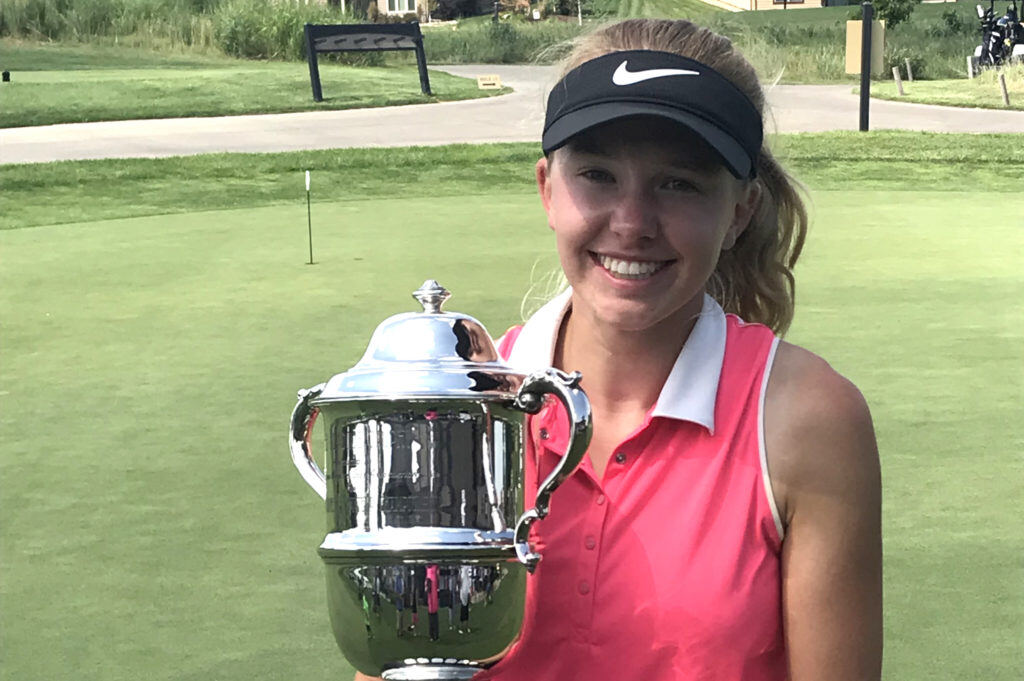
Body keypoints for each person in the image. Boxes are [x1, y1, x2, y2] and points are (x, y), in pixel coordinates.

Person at [356, 16, 882, 681]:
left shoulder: (808, 419)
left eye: (679, 183)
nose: (632, 223)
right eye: (598, 175)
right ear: (548, 189)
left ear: (740, 211)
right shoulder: (454, 402)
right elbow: (396, 663)